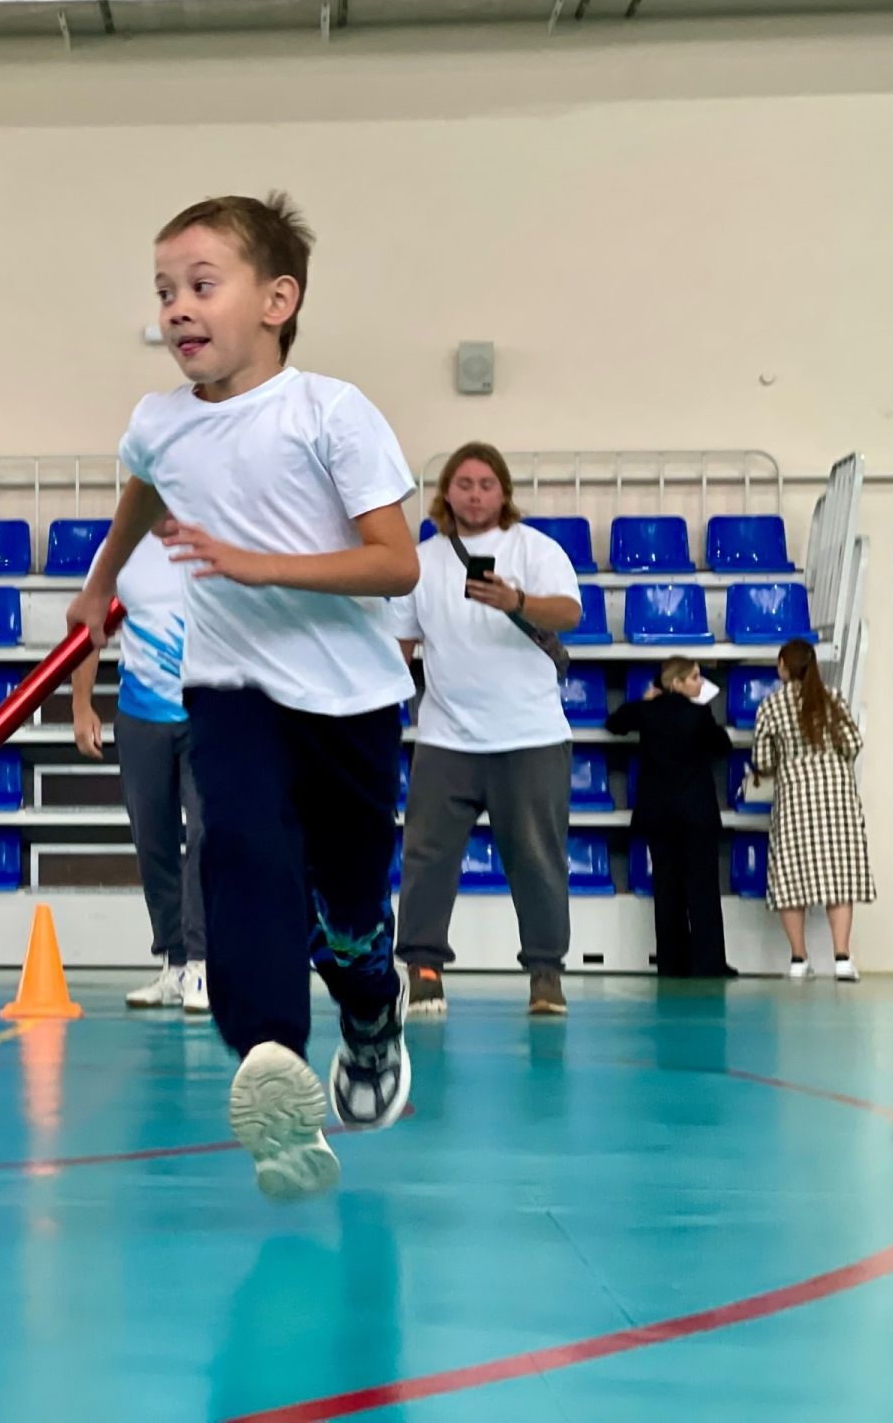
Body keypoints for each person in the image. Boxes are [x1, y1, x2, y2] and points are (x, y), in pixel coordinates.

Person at [66, 192, 420, 1202]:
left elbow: (397, 566)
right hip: (227, 683)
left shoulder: (331, 413)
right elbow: (142, 483)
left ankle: (370, 1010)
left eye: (201, 285)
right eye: (164, 290)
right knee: (243, 852)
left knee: (350, 915)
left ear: (277, 299)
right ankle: (273, 1063)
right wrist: (100, 585)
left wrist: (265, 566)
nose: (178, 307)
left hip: (348, 699)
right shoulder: (157, 422)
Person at [389, 443, 584, 1018]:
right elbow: (400, 647)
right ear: (446, 492)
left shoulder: (535, 549)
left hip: (531, 736)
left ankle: (546, 975)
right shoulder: (422, 561)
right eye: (465, 483)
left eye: (486, 484)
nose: (475, 494)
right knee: (427, 858)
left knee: (537, 859)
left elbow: (570, 613)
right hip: (446, 738)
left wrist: (515, 600)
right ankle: (424, 971)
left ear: (504, 493)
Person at [71, 521, 208, 1015]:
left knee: (206, 840)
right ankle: (173, 963)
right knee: (154, 843)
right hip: (140, 718)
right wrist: (81, 704)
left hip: (208, 716)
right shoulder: (118, 548)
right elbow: (89, 624)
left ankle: (203, 964)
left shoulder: (215, 537)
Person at [748, 638, 873, 981]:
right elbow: (853, 743)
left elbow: (761, 759)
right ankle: (842, 958)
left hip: (794, 794)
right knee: (840, 875)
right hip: (836, 792)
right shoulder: (831, 698)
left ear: (784, 667)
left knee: (790, 876)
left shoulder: (772, 705)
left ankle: (799, 959)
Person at [606, 657, 736, 979]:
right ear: (675, 683)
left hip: (659, 814)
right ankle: (708, 963)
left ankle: (671, 962)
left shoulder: (646, 713)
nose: (699, 683)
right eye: (693, 677)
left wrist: (645, 701)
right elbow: (723, 746)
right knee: (702, 890)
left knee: (667, 890)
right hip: (696, 814)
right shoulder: (699, 714)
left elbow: (615, 722)